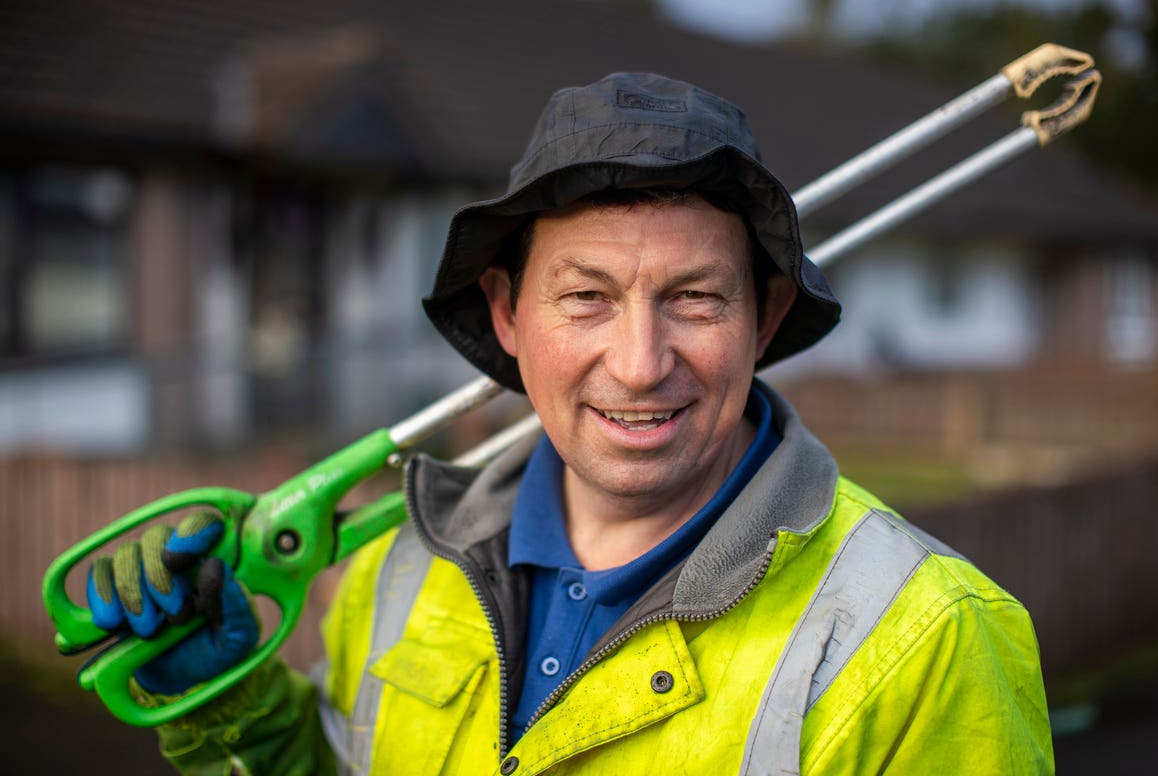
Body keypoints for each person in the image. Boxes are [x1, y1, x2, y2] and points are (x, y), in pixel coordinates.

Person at [87, 72, 1054, 774]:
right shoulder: (400, 575)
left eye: (695, 299)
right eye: (586, 297)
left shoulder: (927, 640)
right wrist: (240, 712)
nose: (639, 363)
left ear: (762, 320)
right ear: (509, 315)